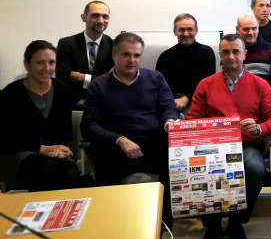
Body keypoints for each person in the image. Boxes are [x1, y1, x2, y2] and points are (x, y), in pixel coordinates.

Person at [187, 34, 271, 239]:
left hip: (247, 144)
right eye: (226, 52)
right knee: (202, 170)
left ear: (244, 55)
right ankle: (212, 225)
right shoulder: (206, 84)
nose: (231, 56)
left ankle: (236, 222)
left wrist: (259, 128)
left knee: (255, 168)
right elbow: (192, 118)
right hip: (213, 147)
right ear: (220, 55)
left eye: (236, 51)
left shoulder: (260, 85)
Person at [81, 32, 179, 227]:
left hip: (151, 143)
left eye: (136, 55)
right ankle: (113, 226)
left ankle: (162, 226)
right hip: (116, 147)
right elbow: (89, 126)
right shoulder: (98, 86)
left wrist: (169, 121)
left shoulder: (155, 78)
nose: (132, 60)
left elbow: (168, 108)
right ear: (114, 56)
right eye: (126, 54)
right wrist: (120, 140)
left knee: (176, 164)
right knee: (104, 169)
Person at [0, 40, 86, 191]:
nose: (47, 68)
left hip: (55, 154)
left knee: (70, 172)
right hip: (19, 155)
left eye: (51, 62)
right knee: (43, 169)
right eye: (40, 63)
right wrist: (42, 149)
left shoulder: (63, 90)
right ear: (27, 64)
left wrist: (61, 149)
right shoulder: (10, 94)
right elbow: (7, 138)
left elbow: (65, 129)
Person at [155, 13, 216, 114]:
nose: (186, 33)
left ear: (196, 31)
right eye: (182, 30)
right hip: (171, 101)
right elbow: (160, 85)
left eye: (190, 29)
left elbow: (208, 84)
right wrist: (174, 100)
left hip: (199, 100)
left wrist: (187, 98)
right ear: (175, 32)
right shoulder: (165, 56)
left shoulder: (206, 52)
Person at [56, 1, 115, 97]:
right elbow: (62, 77)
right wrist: (100, 80)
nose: (101, 20)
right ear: (84, 17)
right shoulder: (66, 44)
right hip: (72, 99)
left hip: (103, 99)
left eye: (105, 16)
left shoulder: (114, 46)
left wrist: (81, 77)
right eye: (95, 16)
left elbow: (113, 80)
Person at [236, 14, 271, 90]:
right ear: (237, 30)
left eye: (254, 28)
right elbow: (227, 78)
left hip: (266, 95)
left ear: (258, 28)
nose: (251, 33)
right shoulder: (231, 52)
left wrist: (262, 92)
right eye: (246, 29)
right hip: (239, 95)